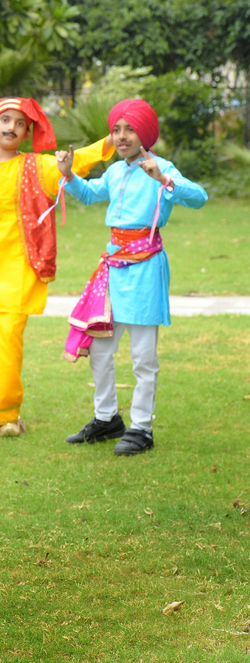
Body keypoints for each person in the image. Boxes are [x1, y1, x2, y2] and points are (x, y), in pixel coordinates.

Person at [0, 98, 114, 436]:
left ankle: (3, 414)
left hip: (20, 272)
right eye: (5, 120)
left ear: (27, 132)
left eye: (20, 123)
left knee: (8, 341)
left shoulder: (37, 167)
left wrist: (110, 143)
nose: (11, 127)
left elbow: (76, 161)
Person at [58, 99, 207, 455]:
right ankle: (107, 418)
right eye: (116, 129)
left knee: (143, 356)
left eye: (129, 129)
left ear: (146, 133)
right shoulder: (115, 171)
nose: (122, 137)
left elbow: (200, 197)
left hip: (145, 270)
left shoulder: (162, 167)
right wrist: (68, 175)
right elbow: (92, 193)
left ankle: (142, 428)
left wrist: (164, 178)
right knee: (98, 348)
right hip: (112, 268)